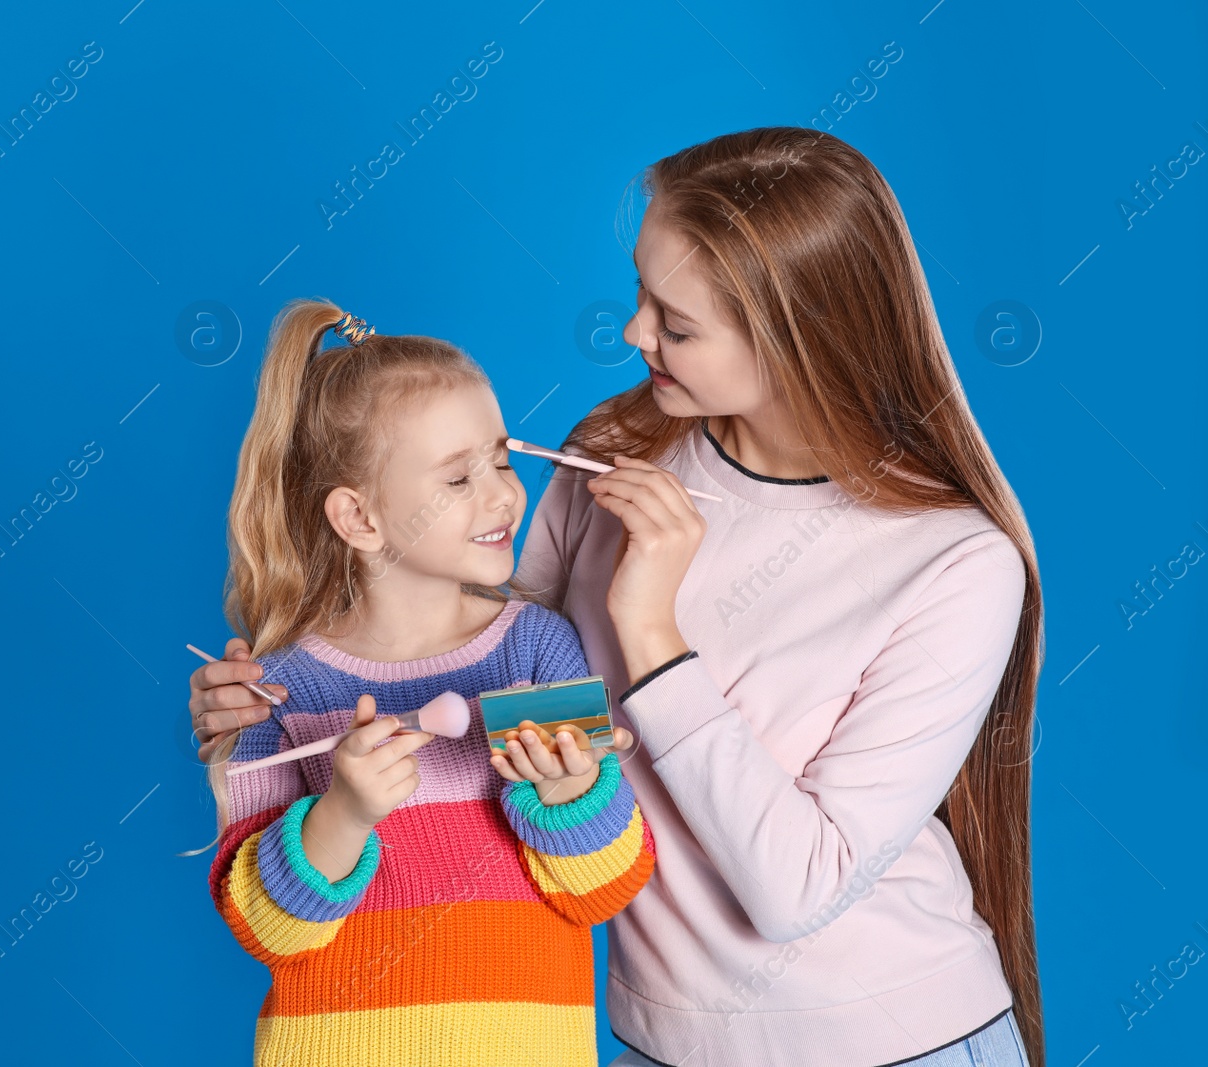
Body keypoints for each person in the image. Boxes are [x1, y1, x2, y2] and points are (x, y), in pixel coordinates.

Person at [190, 128, 1045, 1067]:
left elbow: (799, 889)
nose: (635, 332)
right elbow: (481, 665)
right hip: (653, 1042)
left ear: (798, 336)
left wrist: (650, 632)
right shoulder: (613, 448)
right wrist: (262, 708)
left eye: (675, 323)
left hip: (894, 1040)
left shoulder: (957, 561)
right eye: (642, 292)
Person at [198, 299, 656, 1067]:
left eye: (502, 460)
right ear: (360, 518)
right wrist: (342, 813)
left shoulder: (539, 648)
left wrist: (574, 796)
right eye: (458, 478)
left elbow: (603, 892)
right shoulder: (274, 687)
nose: (503, 495)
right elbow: (264, 931)